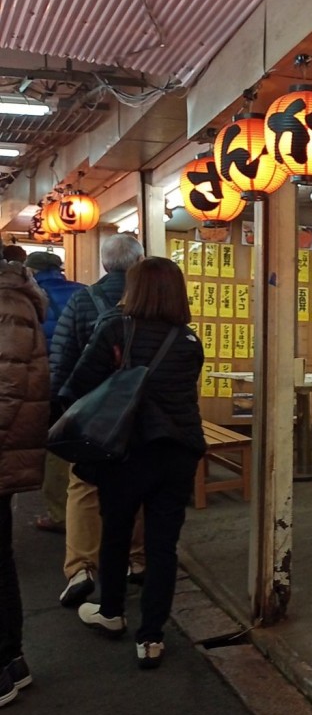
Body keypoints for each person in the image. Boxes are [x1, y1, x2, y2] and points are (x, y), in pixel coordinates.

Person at [62, 257, 205, 669]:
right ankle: (152, 638)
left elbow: (78, 386)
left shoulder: (114, 327)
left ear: (135, 288)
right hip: (177, 451)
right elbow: (184, 396)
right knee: (163, 545)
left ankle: (111, 612)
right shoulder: (189, 339)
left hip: (124, 450)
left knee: (117, 532)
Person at [49, 233, 145, 607]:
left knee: (84, 485)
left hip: (91, 409)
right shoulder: (150, 301)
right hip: (137, 409)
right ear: (138, 262)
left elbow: (62, 358)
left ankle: (80, 567)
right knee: (135, 483)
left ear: (105, 264)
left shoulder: (81, 299)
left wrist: (60, 409)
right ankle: (135, 560)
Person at [0, 258, 50, 706]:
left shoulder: (8, 305)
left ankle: (6, 661)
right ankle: (9, 659)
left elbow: (9, 387)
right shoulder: (17, 303)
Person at [24, 250, 85, 533]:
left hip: (48, 381)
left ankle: (60, 513)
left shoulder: (30, 299)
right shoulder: (84, 292)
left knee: (56, 445)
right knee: (87, 442)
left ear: (32, 271)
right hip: (87, 379)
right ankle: (89, 506)